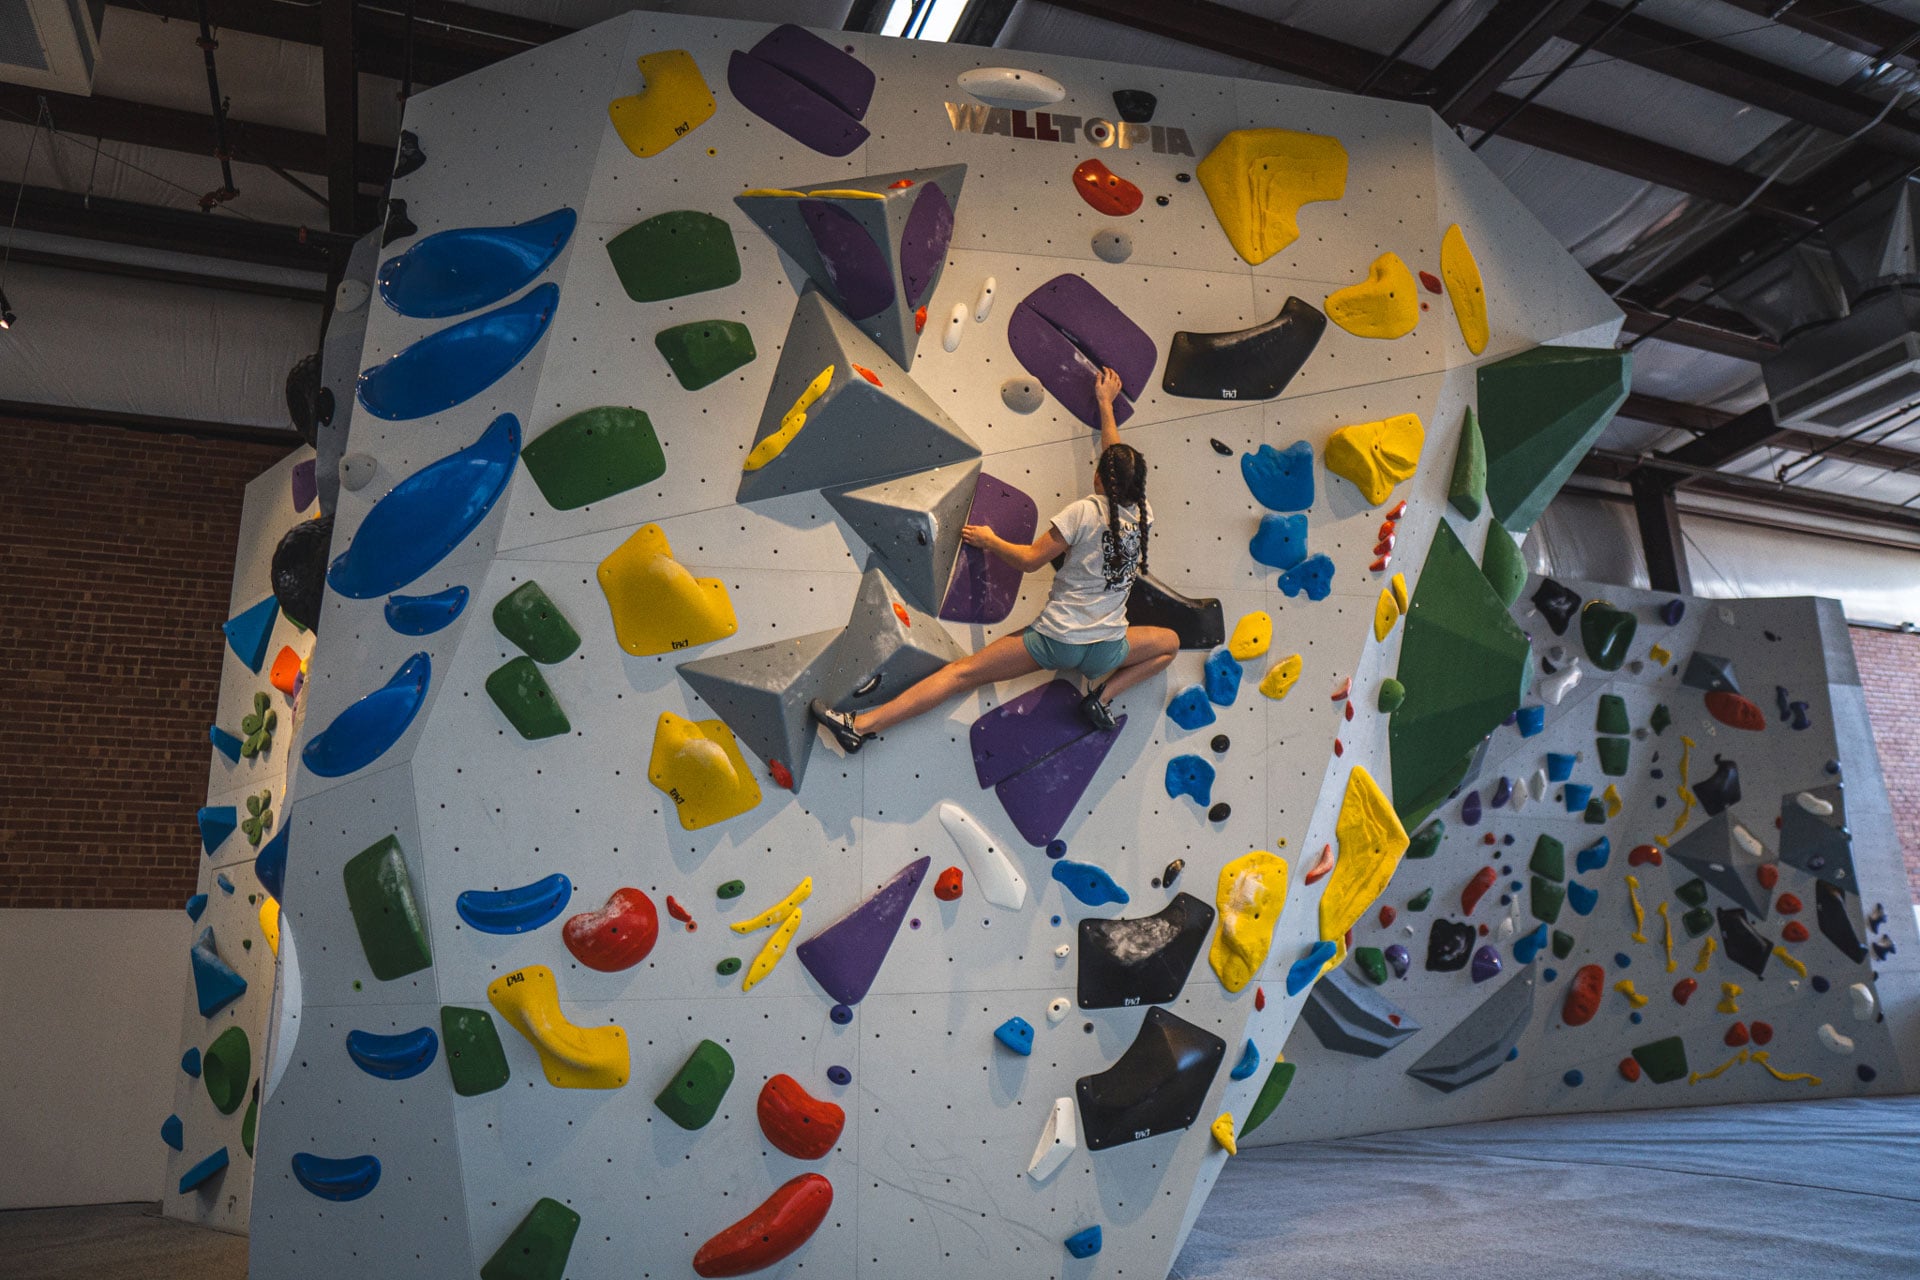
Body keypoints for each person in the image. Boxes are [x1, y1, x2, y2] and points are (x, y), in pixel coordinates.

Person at [811, 366, 1179, 753]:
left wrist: (990, 540)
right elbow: (1114, 459)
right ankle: (1102, 698)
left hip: (1059, 640)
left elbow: (1031, 559)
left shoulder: (1084, 512)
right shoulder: (1143, 512)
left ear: (1099, 479)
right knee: (1169, 643)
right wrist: (1105, 405)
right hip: (1107, 646)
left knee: (963, 673)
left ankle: (861, 725)